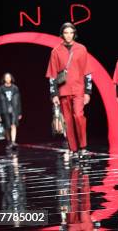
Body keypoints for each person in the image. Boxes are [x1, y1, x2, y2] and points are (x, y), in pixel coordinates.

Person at [46, 22, 92, 160]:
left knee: (78, 115)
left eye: (71, 32)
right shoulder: (55, 51)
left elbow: (88, 72)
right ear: (62, 34)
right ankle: (73, 149)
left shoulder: (82, 49)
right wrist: (53, 94)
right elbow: (52, 75)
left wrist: (88, 92)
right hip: (63, 90)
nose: (68, 35)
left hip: (79, 89)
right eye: (66, 32)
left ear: (74, 34)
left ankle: (83, 147)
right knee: (68, 120)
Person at [0, 73, 22, 150]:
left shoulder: (15, 88)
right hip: (4, 110)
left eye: (9, 77)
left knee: (13, 125)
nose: (7, 79)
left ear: (11, 78)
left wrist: (20, 112)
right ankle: (9, 141)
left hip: (14, 110)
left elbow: (19, 101)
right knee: (7, 127)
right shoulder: (1, 89)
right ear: (4, 79)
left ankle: (13, 142)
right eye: (6, 77)